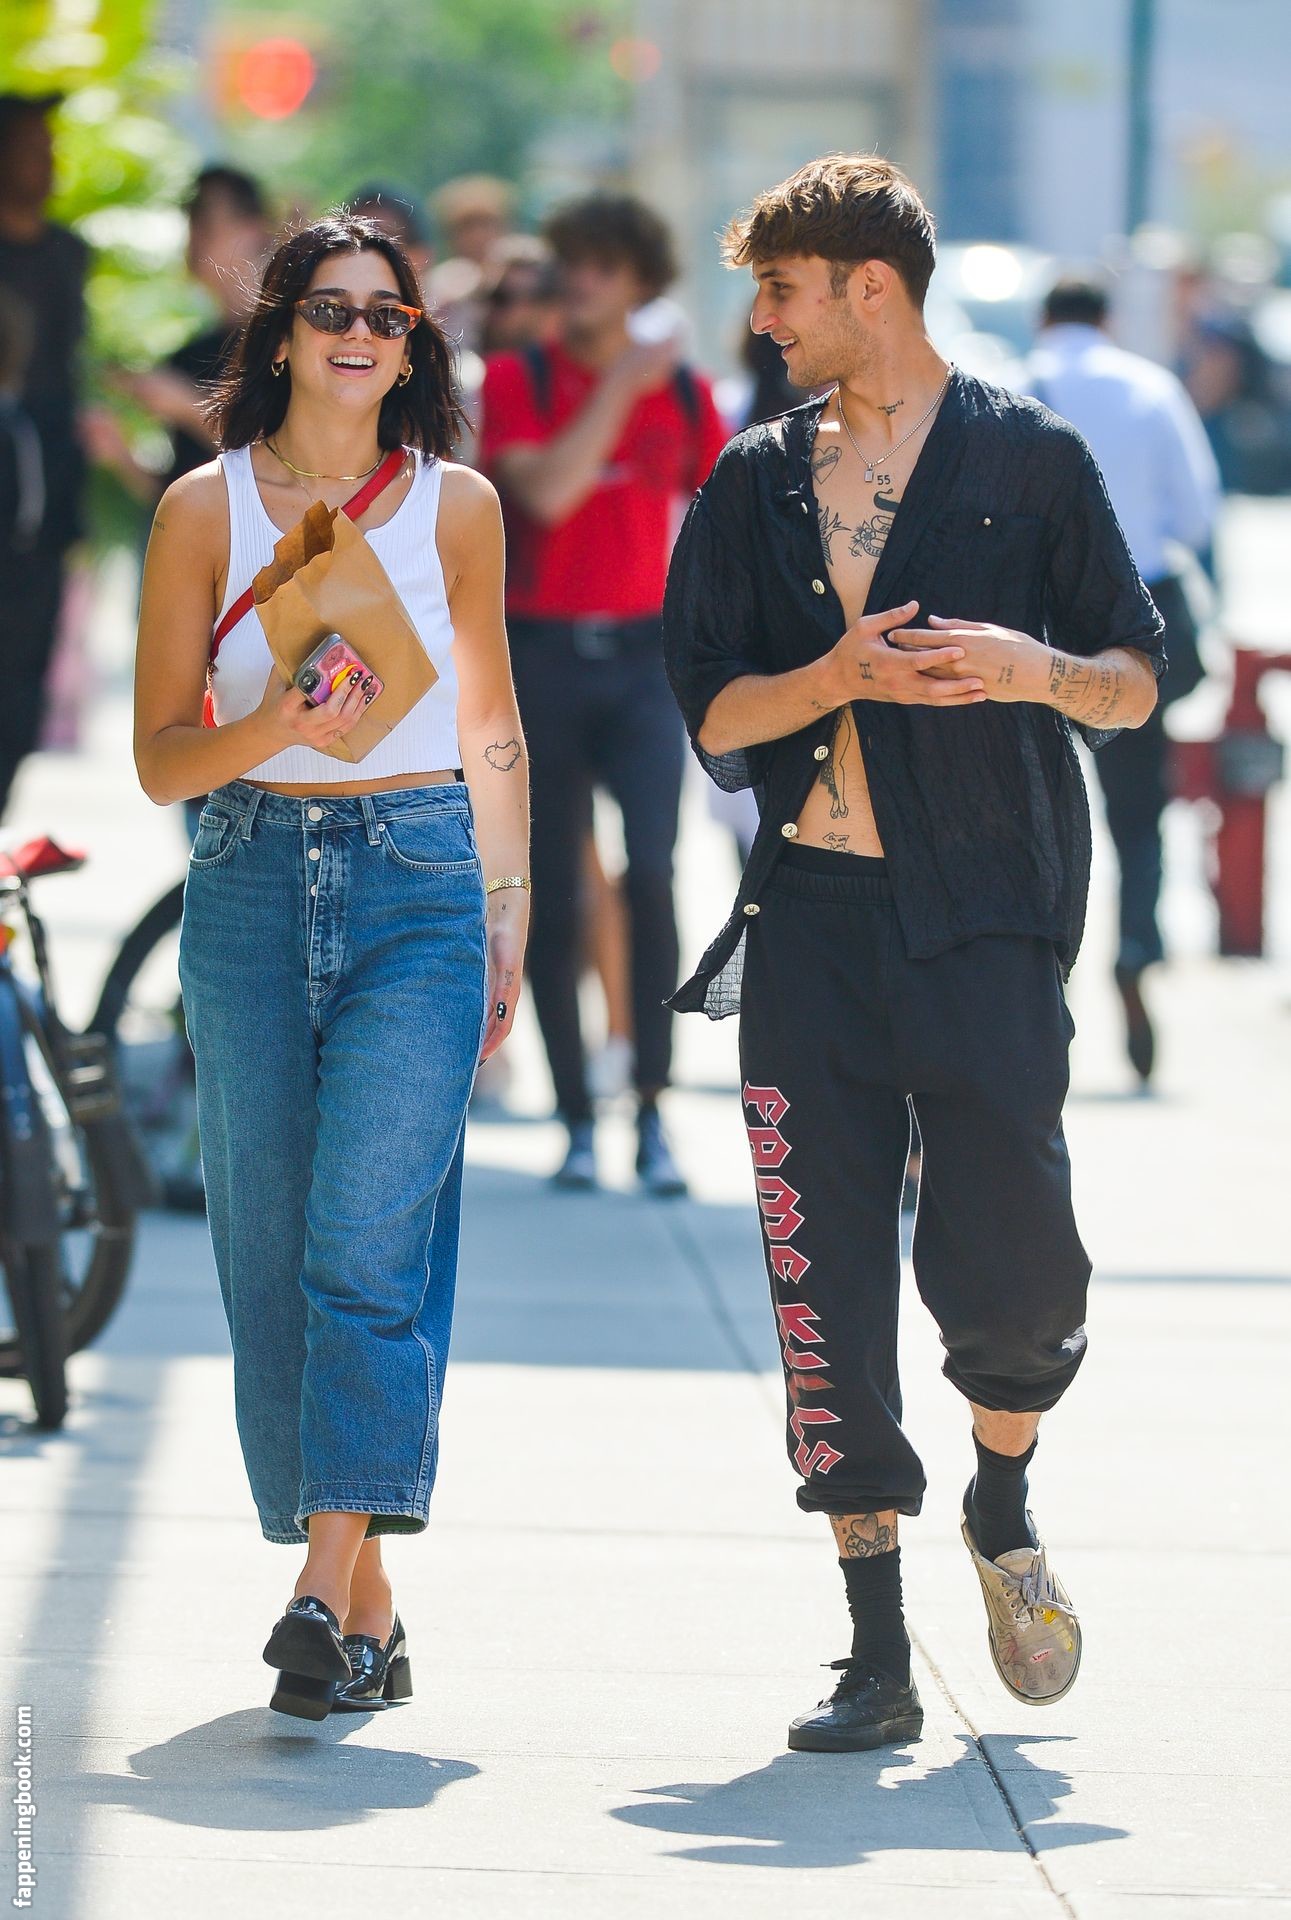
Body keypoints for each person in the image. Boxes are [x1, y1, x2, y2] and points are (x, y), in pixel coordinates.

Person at [663, 154, 1164, 1753]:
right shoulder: (751, 482)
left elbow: (1134, 681)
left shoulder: (1031, 459)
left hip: (988, 917)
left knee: (1014, 1270)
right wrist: (831, 675)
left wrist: (1028, 668)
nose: (762, 320)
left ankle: (998, 1503)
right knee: (817, 1276)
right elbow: (713, 712)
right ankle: (871, 1650)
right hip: (808, 922)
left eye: (781, 290)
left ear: (866, 288)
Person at [133, 213, 530, 1718]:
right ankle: (367, 1608)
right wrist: (274, 725)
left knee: (366, 1243)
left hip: (421, 886)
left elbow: (489, 720)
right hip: (246, 878)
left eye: (389, 314)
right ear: (283, 332)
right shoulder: (203, 510)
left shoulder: (457, 507)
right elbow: (160, 761)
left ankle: (316, 1588)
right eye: (331, 308)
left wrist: (510, 909)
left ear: (414, 345)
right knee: (267, 1258)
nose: (360, 333)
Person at [478, 192, 728, 1193]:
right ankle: (577, 1118)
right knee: (550, 884)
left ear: (640, 281)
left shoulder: (687, 394)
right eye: (571, 262)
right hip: (538, 651)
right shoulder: (518, 377)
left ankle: (654, 1109)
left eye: (604, 267)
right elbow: (547, 490)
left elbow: (723, 517)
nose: (581, 282)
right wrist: (624, 380)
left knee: (654, 874)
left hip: (642, 658)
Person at [1025, 276, 1219, 1082]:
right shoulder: (1151, 389)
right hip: (1136, 615)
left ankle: (1039, 974)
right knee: (1138, 814)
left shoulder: (1011, 387)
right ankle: (1135, 943)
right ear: (1106, 320)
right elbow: (1196, 514)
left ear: (1043, 318)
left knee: (1032, 809)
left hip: (1034, 619)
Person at [83, 166, 274, 505]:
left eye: (207, 220)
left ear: (255, 229)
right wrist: (120, 454)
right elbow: (175, 496)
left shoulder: (288, 343)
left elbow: (286, 464)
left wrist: (189, 405)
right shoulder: (190, 357)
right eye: (191, 219)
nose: (195, 237)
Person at [0, 92, 88, 819]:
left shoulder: (68, 254)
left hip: (48, 500)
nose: (47, 164)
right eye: (31, 148)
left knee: (23, 685)